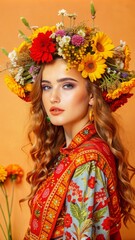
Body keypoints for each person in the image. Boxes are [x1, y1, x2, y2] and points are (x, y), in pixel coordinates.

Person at [3, 6, 135, 240]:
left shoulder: (88, 161)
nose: (53, 97)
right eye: (46, 87)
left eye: (67, 85)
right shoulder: (69, 152)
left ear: (92, 95)